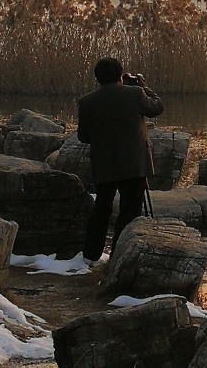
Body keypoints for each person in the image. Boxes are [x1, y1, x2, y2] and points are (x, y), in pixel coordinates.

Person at [77, 57, 164, 263]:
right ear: (119, 75)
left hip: (104, 164)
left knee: (102, 207)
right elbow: (157, 108)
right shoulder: (135, 93)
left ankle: (91, 255)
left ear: (97, 78)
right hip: (134, 164)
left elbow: (83, 136)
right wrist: (144, 87)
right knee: (130, 210)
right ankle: (119, 253)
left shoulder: (86, 101)